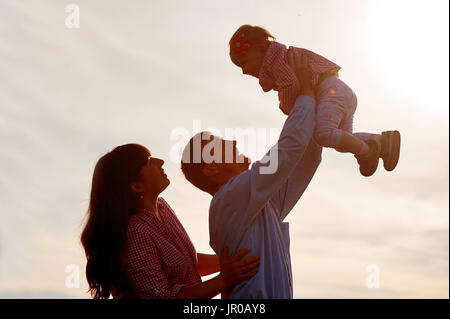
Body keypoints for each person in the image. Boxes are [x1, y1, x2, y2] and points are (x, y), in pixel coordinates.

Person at [181, 52, 321, 298]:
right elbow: (289, 149)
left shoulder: (258, 201)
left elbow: (307, 155)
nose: (233, 142)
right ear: (211, 169)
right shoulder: (231, 196)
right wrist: (306, 91)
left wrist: (312, 101)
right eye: (220, 145)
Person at [80, 143, 259, 299]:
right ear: (136, 186)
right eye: (149, 161)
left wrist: (229, 263)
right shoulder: (135, 233)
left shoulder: (162, 208)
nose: (160, 161)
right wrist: (224, 279)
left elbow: (184, 264)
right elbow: (163, 296)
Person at [228, 24, 401, 177]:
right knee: (343, 141)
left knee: (323, 135)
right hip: (339, 91)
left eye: (243, 63)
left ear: (259, 48)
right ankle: (382, 141)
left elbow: (290, 85)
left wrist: (286, 106)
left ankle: (368, 151)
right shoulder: (279, 58)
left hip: (331, 91)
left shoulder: (277, 62)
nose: (244, 71)